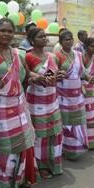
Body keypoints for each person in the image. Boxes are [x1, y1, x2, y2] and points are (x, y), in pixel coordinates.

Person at [0, 17, 39, 188]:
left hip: (18, 104)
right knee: (4, 147)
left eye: (10, 31)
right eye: (3, 31)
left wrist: (38, 77)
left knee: (21, 142)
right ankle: (5, 184)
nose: (6, 34)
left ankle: (19, 179)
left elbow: (27, 74)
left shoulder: (18, 53)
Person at [25, 27, 64, 179]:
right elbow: (26, 74)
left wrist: (60, 75)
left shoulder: (52, 56)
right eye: (40, 36)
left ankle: (53, 163)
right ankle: (40, 166)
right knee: (40, 135)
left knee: (53, 133)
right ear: (32, 40)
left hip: (52, 100)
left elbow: (56, 74)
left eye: (45, 36)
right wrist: (35, 76)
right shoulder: (27, 57)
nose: (44, 39)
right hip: (36, 102)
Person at [54, 29, 89, 161]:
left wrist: (89, 77)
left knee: (78, 122)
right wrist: (57, 75)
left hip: (77, 95)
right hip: (63, 96)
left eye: (70, 39)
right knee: (66, 122)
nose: (68, 41)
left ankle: (78, 148)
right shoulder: (56, 56)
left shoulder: (79, 55)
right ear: (60, 42)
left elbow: (83, 72)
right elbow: (52, 74)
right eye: (65, 39)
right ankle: (66, 149)